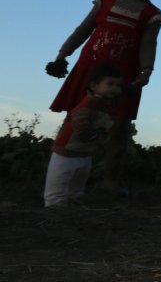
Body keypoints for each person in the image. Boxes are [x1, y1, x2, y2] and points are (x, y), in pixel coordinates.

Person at [46, 0, 161, 195]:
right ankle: (59, 174)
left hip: (124, 77)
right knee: (74, 117)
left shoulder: (153, 14)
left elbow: (148, 43)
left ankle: (110, 180)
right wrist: (62, 55)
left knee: (120, 126)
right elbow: (84, 29)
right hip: (89, 70)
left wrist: (146, 71)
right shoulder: (107, 0)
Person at [43, 63, 123, 207]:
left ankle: (74, 199)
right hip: (67, 150)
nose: (115, 88)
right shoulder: (90, 103)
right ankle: (54, 205)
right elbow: (78, 119)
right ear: (94, 86)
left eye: (118, 85)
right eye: (110, 84)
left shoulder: (107, 105)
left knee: (79, 180)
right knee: (60, 178)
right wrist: (92, 136)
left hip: (84, 152)